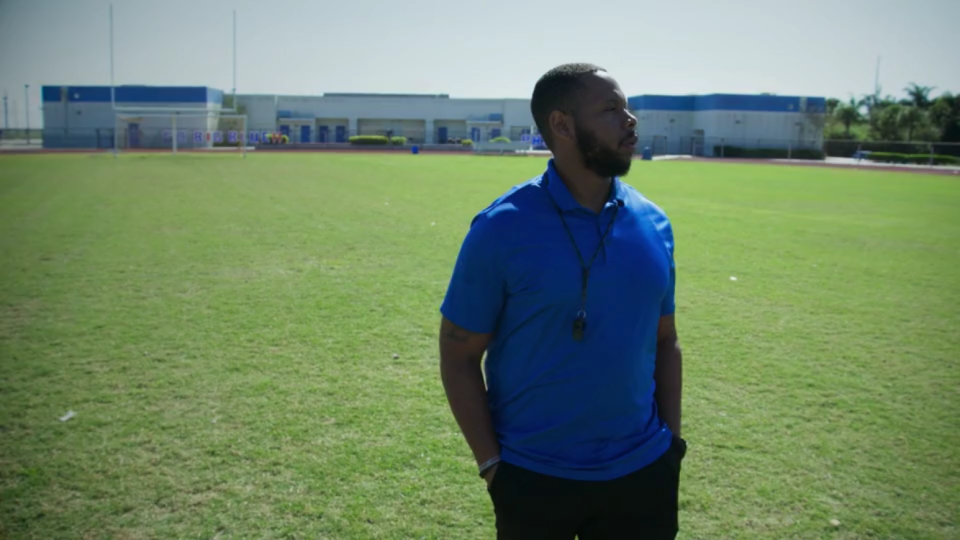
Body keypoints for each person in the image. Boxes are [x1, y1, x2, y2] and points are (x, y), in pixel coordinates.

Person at [438, 63, 686, 539]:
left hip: (644, 475)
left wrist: (671, 448)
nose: (630, 119)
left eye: (627, 107)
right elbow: (459, 354)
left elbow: (666, 341)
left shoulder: (655, 224)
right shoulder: (501, 227)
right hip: (533, 480)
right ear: (562, 125)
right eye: (611, 109)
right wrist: (493, 466)